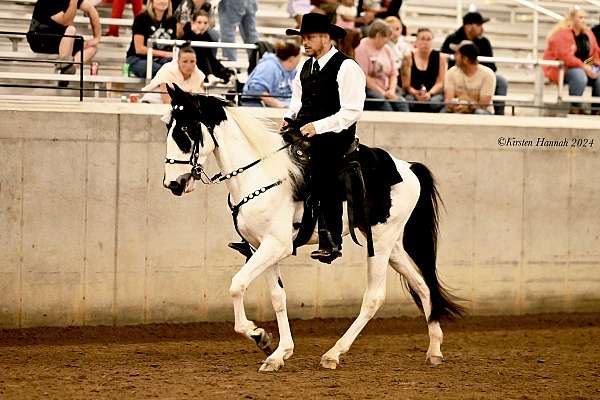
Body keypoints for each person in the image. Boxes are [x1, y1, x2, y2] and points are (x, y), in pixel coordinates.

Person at [284, 13, 366, 263]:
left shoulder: (347, 67)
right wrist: (289, 119)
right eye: (303, 38)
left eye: (309, 38)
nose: (304, 42)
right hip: (306, 131)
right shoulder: (304, 66)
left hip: (336, 138)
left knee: (323, 172)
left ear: (326, 38)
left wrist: (318, 127)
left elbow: (352, 110)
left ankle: (331, 240)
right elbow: (298, 101)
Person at [441, 11, 508, 115]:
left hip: (480, 76)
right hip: (456, 77)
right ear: (469, 26)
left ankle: (499, 114)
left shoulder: (484, 41)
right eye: (479, 25)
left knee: (501, 81)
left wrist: (474, 69)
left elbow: (492, 66)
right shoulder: (452, 39)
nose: (482, 28)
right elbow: (444, 62)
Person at [543, 7, 600, 115]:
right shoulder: (562, 34)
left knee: (598, 73)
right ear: (572, 19)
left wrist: (592, 67)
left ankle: (596, 109)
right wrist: (584, 67)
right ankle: (575, 107)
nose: (583, 20)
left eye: (584, 17)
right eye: (580, 17)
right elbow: (566, 57)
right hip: (564, 68)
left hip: (584, 66)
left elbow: (594, 55)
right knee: (579, 75)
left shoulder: (588, 34)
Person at [27, 0, 100, 84]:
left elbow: (91, 10)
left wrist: (97, 37)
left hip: (61, 40)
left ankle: (68, 68)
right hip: (41, 39)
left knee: (92, 48)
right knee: (71, 30)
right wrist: (73, 3)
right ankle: (64, 65)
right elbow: (66, 21)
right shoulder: (47, 2)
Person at [355, 19, 408, 111]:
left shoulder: (387, 49)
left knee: (402, 103)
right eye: (386, 38)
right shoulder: (361, 48)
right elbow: (364, 77)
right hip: (371, 89)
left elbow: (393, 74)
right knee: (385, 105)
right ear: (378, 35)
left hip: (388, 88)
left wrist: (391, 90)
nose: (387, 41)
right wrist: (383, 93)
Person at [181, 10, 234, 85]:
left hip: (204, 66)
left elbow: (210, 57)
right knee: (202, 55)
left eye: (205, 23)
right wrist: (196, 34)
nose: (202, 25)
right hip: (190, 67)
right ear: (193, 22)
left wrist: (222, 69)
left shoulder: (207, 36)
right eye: (199, 22)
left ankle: (225, 75)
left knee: (212, 60)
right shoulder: (188, 33)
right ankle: (211, 75)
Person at [242, 40, 301, 107]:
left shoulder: (293, 71)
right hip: (259, 106)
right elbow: (256, 90)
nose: (300, 60)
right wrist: (281, 106)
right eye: (299, 57)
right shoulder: (269, 66)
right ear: (292, 59)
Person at [126, 0, 177, 78]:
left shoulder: (172, 20)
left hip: (162, 60)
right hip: (138, 59)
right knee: (158, 69)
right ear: (151, 2)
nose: (162, 1)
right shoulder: (141, 18)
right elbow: (139, 49)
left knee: (179, 67)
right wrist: (165, 54)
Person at [442, 41, 495, 115]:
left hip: (481, 110)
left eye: (457, 54)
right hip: (457, 108)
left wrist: (467, 107)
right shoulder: (451, 72)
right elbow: (448, 100)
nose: (454, 56)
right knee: (443, 112)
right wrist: (456, 106)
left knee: (479, 113)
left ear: (465, 59)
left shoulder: (487, 74)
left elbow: (484, 104)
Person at [402, 28, 445, 112]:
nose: (425, 42)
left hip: (433, 93)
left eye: (428, 39)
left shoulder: (440, 58)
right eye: (422, 39)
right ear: (416, 41)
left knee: (435, 103)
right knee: (409, 101)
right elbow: (406, 85)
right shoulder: (408, 57)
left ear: (432, 41)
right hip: (413, 92)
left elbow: (440, 82)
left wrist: (430, 94)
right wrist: (416, 93)